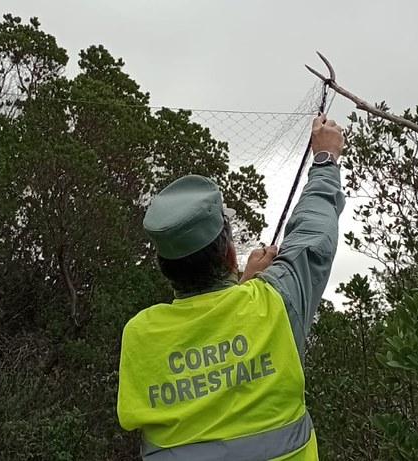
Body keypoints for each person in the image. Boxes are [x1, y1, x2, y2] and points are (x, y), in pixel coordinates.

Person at [117, 115, 345, 460]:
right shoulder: (273, 303)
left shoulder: (139, 335)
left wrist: (243, 284)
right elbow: (314, 232)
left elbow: (209, 341)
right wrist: (325, 159)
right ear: (228, 254)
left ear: (166, 268)